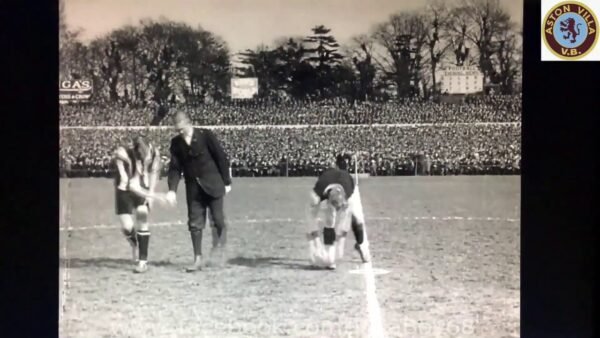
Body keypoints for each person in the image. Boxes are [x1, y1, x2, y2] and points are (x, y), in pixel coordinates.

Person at [165, 111, 232, 272]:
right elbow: (174, 168)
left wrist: (227, 182)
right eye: (177, 129)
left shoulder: (206, 135)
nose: (180, 132)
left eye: (182, 128)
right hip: (193, 189)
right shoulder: (176, 143)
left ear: (189, 122)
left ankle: (219, 248)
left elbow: (221, 157)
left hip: (214, 184)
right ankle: (197, 259)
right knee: (195, 223)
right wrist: (172, 190)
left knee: (218, 220)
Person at [306, 154, 371, 270]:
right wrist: (315, 240)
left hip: (345, 188)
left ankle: (360, 245)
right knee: (328, 222)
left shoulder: (349, 192)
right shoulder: (319, 190)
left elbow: (345, 225)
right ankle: (328, 253)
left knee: (357, 218)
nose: (337, 209)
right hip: (329, 188)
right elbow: (311, 216)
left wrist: (339, 242)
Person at [113, 136, 163, 273]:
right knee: (127, 226)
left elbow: (154, 172)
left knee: (142, 215)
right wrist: (157, 197)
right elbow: (130, 184)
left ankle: (142, 261)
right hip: (125, 188)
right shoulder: (122, 154)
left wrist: (151, 193)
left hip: (144, 186)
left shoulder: (153, 152)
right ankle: (135, 244)